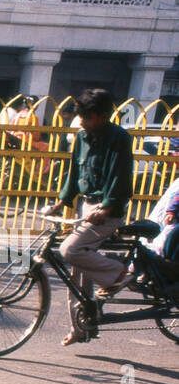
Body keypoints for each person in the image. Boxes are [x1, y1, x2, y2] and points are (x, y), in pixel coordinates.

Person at [39, 88, 134, 346]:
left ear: (103, 116)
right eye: (81, 116)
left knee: (70, 250)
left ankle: (119, 274)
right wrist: (60, 202)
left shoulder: (119, 138)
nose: (82, 121)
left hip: (108, 213)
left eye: (87, 116)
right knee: (77, 276)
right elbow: (73, 173)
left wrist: (106, 209)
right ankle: (81, 328)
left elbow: (120, 180)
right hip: (86, 209)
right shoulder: (82, 136)